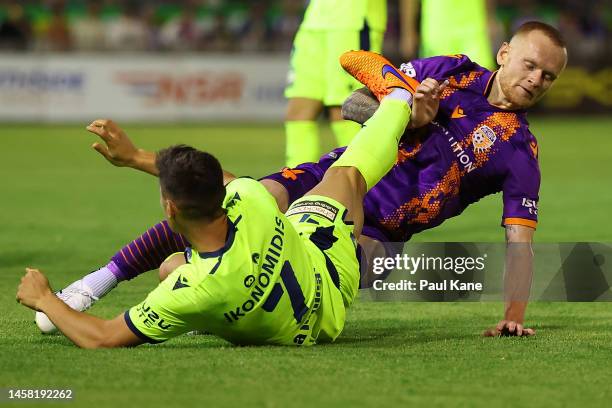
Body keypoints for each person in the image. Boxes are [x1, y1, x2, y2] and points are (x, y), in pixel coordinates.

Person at [34, 21, 567, 338]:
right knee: (225, 203)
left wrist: (513, 315)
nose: (536, 80)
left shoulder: (520, 151)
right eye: (529, 65)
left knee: (201, 265)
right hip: (327, 176)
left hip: (372, 234)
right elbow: (358, 81)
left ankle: (191, 283)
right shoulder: (449, 71)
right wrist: (408, 107)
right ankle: (93, 285)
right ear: (504, 55)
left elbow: (519, 238)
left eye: (548, 75)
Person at [17, 54, 430, 348]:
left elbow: (104, 336)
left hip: (299, 323)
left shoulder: (192, 288)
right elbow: (231, 183)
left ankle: (397, 98)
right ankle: (397, 99)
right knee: (347, 175)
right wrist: (138, 158)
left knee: (170, 268)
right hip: (328, 273)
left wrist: (45, 299)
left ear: (169, 208)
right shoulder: (249, 199)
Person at [285, 0, 387, 166]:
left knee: (346, 110)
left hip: (352, 20)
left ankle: (359, 181)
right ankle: (296, 184)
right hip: (314, 21)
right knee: (298, 111)